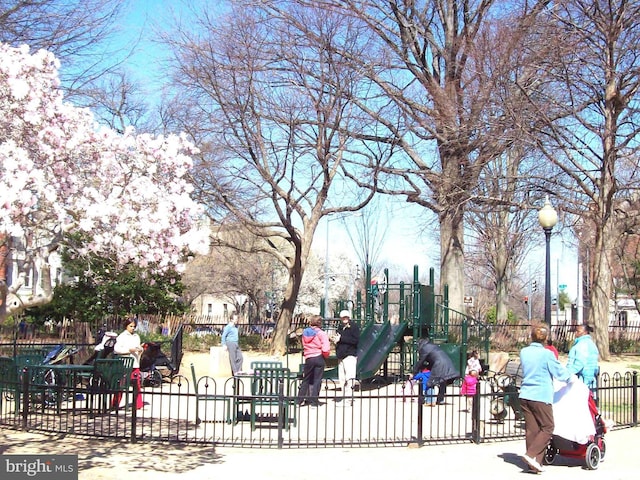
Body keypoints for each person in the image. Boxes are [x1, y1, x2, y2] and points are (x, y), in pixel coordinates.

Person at [519, 322, 575, 474]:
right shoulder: (547, 354)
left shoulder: (524, 352)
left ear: (531, 336)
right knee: (548, 426)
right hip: (541, 394)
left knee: (532, 429)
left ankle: (535, 464)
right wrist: (571, 378)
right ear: (546, 338)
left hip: (525, 394)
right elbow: (559, 372)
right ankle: (531, 456)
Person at [412, 338, 460, 405]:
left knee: (430, 382)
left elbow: (421, 361)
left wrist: (414, 372)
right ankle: (440, 399)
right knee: (443, 381)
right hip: (446, 363)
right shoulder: (433, 346)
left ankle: (429, 400)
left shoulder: (425, 348)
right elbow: (433, 357)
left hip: (439, 365)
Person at [296, 315, 330, 407]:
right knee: (317, 380)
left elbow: (304, 345)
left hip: (309, 357)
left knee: (306, 379)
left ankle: (299, 400)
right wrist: (326, 355)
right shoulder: (321, 333)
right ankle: (314, 402)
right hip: (318, 356)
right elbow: (326, 348)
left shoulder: (305, 333)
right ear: (320, 323)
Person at [112, 317, 145, 410]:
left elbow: (138, 348)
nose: (133, 328)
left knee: (137, 385)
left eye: (134, 326)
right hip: (124, 364)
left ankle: (138, 404)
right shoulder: (122, 336)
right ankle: (115, 403)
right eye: (131, 326)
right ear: (126, 326)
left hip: (134, 363)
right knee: (121, 385)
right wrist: (129, 350)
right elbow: (117, 349)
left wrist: (140, 349)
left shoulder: (136, 336)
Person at [566, 324, 600, 396]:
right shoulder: (590, 343)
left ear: (585, 332)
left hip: (582, 379)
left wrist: (568, 373)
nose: (576, 333)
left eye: (578, 331)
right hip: (590, 378)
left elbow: (579, 363)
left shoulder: (582, 344)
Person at [334, 309, 360, 404]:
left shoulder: (354, 327)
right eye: (343, 317)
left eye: (346, 317)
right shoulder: (340, 328)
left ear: (349, 318)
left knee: (350, 377)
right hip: (341, 355)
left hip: (350, 355)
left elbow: (355, 341)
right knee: (342, 378)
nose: (345, 319)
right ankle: (344, 396)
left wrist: (342, 338)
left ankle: (349, 398)